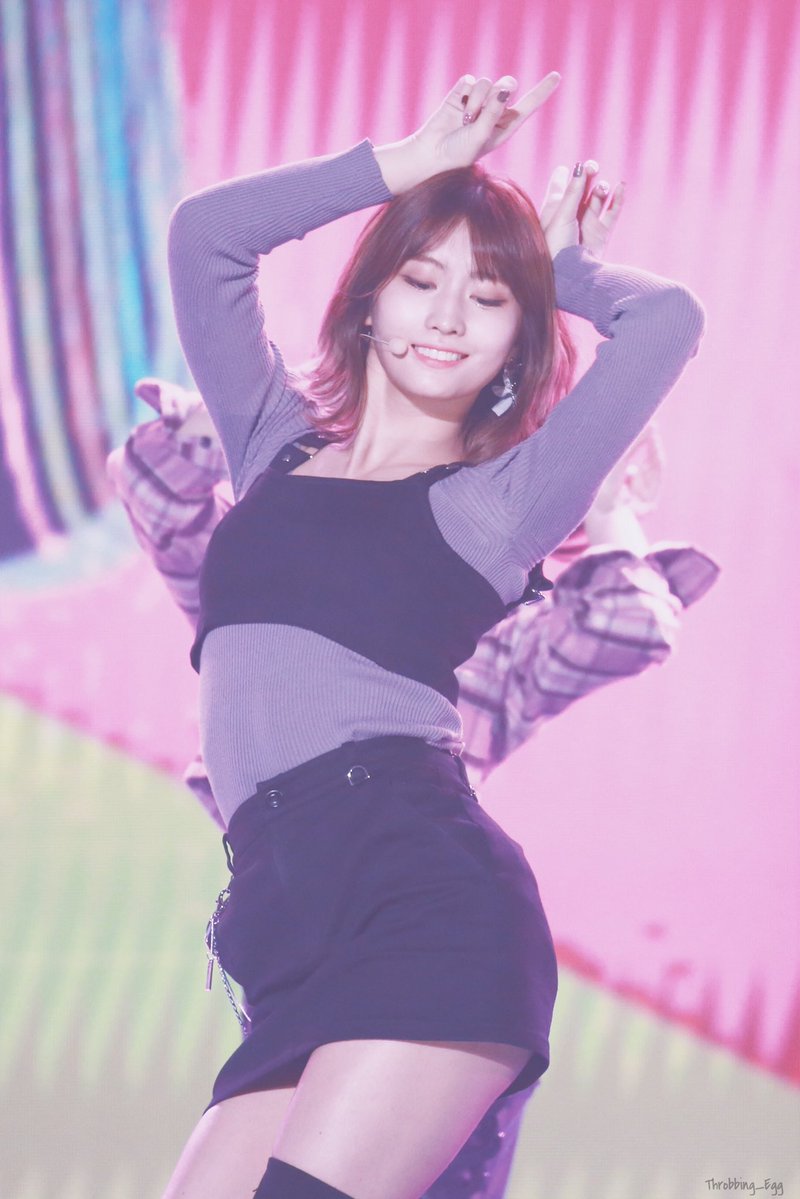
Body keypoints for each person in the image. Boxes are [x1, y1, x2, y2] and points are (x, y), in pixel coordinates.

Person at [155, 71, 705, 1199]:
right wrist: (405, 165)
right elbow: (206, 238)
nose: (448, 317)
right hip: (281, 919)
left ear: (517, 342)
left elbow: (669, 321)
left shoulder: (496, 505)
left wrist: (563, 272)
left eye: (490, 298)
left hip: (421, 900)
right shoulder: (271, 446)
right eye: (420, 280)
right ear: (369, 300)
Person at [107, 383, 718, 1199]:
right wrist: (247, 416)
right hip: (293, 945)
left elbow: (627, 624)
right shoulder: (262, 561)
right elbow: (151, 485)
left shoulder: (487, 628)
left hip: (424, 927)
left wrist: (606, 503)